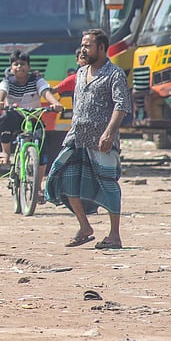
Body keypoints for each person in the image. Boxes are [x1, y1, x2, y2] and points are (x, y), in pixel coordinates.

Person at [45, 29, 132, 249]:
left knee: (108, 184)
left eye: (88, 46)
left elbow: (121, 105)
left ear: (101, 48)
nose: (84, 49)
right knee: (63, 177)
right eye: (82, 45)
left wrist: (109, 133)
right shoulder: (81, 72)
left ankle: (114, 235)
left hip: (101, 139)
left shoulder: (115, 74)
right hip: (77, 137)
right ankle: (84, 226)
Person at [0, 51, 63, 204]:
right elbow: (1, 93)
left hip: (34, 117)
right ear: (11, 67)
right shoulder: (7, 81)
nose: (19, 67)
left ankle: (38, 187)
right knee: (5, 118)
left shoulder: (36, 80)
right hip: (15, 116)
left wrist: (54, 103)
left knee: (42, 150)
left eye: (23, 64)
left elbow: (45, 92)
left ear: (28, 67)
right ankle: (5, 152)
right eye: (16, 64)